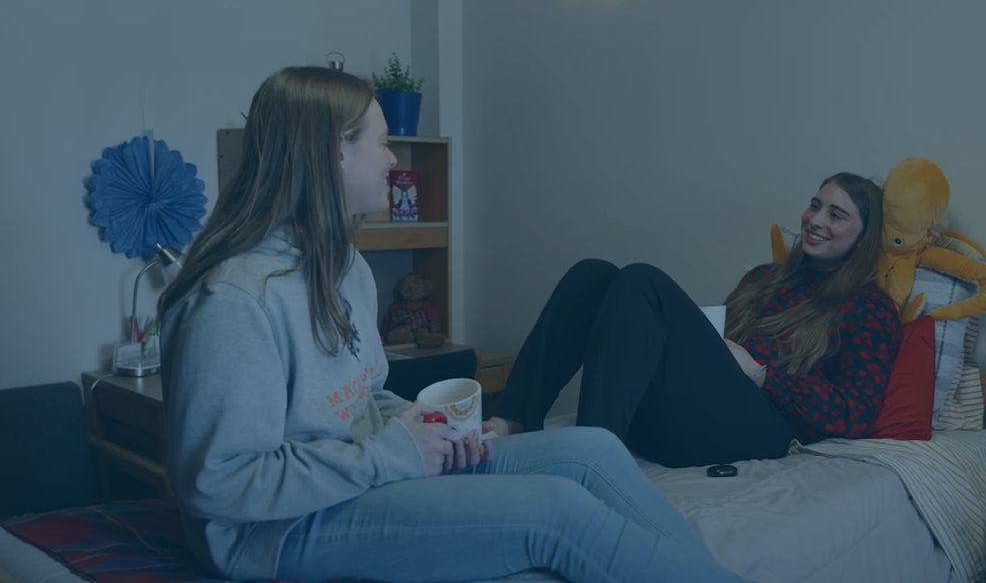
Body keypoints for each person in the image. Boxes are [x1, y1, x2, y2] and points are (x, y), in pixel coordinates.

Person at [158, 67, 744, 583]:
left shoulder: (345, 268)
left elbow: (362, 399)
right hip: (274, 531)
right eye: (384, 144)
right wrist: (395, 455)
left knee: (591, 450)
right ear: (334, 151)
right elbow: (221, 483)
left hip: (360, 472)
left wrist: (430, 431)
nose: (393, 160)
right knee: (556, 512)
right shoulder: (233, 300)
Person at [488, 172, 901, 468]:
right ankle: (516, 420)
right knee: (592, 274)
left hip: (764, 426)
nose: (816, 220)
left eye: (836, 214)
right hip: (690, 416)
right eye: (815, 205)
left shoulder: (870, 308)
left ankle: (595, 461)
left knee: (642, 280)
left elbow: (854, 415)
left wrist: (761, 374)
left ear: (863, 237)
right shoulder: (762, 278)